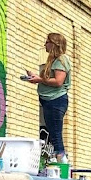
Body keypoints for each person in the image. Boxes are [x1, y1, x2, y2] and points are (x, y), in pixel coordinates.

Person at [27, 32, 71, 160]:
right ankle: (57, 159)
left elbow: (58, 81)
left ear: (54, 44)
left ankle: (62, 162)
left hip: (56, 100)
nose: (45, 44)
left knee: (56, 135)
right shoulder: (52, 61)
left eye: (47, 42)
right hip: (49, 101)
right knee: (53, 133)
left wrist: (40, 80)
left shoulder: (61, 60)